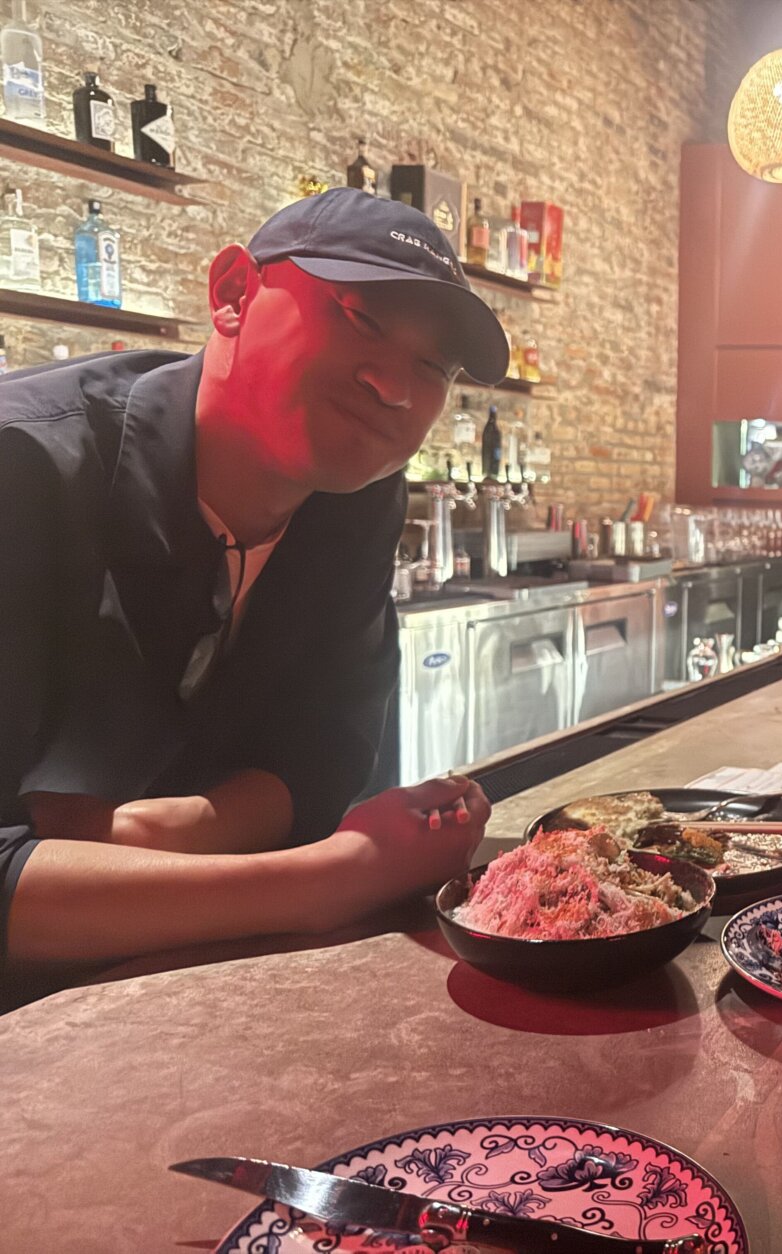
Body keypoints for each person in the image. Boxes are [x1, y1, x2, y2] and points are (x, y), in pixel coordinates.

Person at [0, 189, 509, 996]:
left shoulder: (357, 498)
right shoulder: (24, 469)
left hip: (193, 997)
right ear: (234, 294)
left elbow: (323, 754)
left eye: (433, 366)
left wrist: (136, 829)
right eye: (362, 319)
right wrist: (330, 879)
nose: (395, 389)